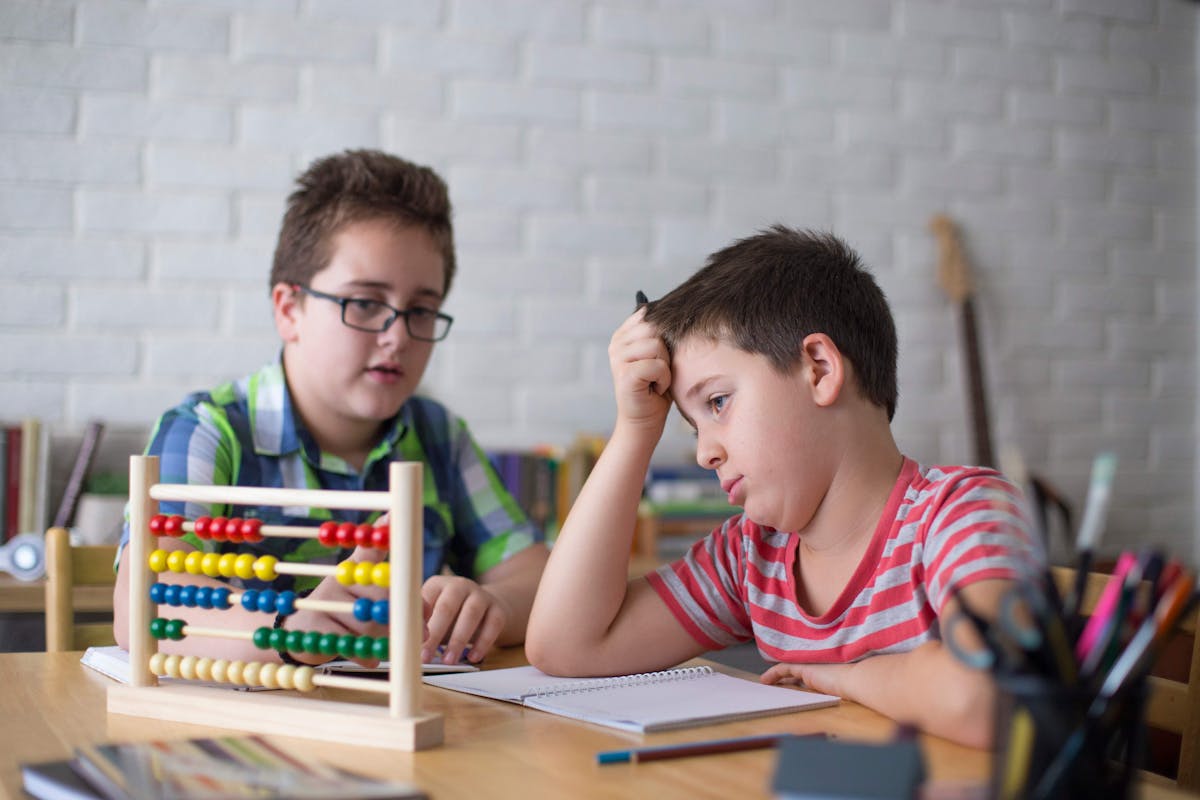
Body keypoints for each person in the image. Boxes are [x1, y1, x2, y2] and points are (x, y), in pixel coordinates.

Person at [525, 226, 1039, 747]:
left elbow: (989, 696)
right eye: (693, 425)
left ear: (818, 369)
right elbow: (566, 648)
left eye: (718, 403)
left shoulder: (964, 513)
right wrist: (636, 431)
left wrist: (842, 677)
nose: (705, 452)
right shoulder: (752, 558)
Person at [114, 149, 549, 668]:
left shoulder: (440, 437)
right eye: (364, 303)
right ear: (288, 310)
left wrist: (495, 604)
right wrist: (289, 632)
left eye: (422, 311)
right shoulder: (208, 431)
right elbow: (145, 602)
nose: (397, 337)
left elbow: (539, 577)